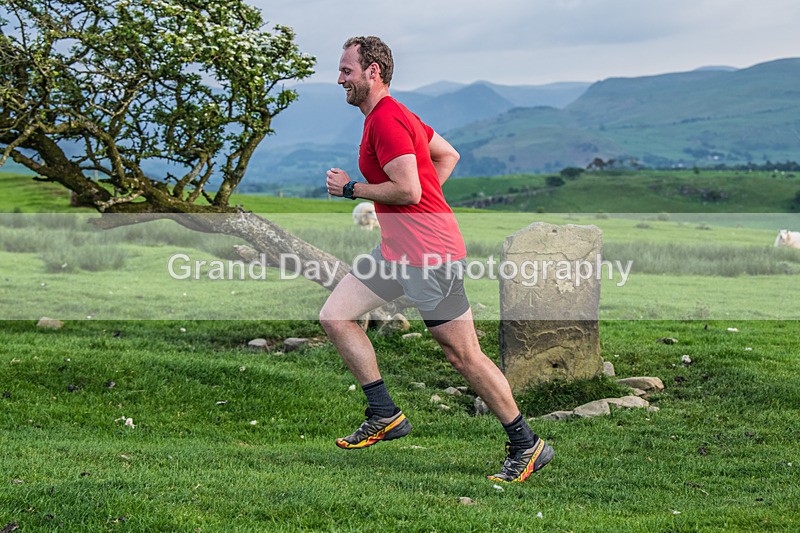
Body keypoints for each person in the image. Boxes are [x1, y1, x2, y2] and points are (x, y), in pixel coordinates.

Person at [320, 36, 553, 483]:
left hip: (429, 257)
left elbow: (408, 189)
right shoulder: (393, 116)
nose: (340, 78)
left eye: (346, 70)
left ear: (373, 72)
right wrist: (423, 204)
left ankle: (527, 444)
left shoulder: (388, 121)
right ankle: (384, 413)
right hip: (394, 252)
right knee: (335, 316)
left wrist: (352, 189)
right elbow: (447, 155)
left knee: (463, 355)